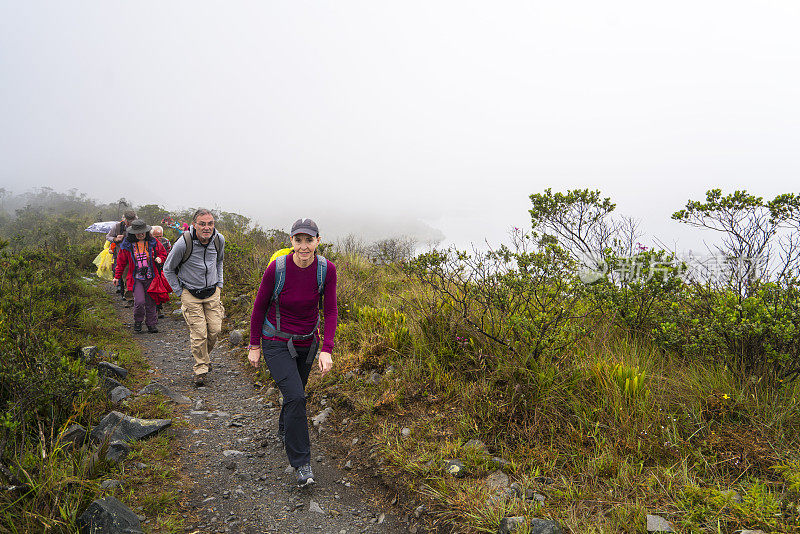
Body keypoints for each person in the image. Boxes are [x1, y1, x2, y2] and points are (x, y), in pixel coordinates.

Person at [248, 218, 338, 487]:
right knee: (297, 396)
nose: (304, 246)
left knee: (294, 393)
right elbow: (259, 308)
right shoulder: (277, 269)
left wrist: (326, 349)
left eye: (309, 240)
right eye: (298, 240)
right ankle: (302, 464)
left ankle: (285, 428)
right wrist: (254, 346)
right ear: (291, 242)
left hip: (307, 342)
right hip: (275, 341)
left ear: (317, 242)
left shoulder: (326, 269)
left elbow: (330, 311)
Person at [163, 209, 226, 387]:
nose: (207, 228)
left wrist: (219, 283)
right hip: (190, 293)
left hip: (212, 292)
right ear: (194, 225)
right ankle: (201, 369)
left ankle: (204, 358)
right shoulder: (184, 243)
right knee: (199, 334)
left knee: (215, 330)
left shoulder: (219, 240)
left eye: (210, 223)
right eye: (202, 224)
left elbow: (219, 261)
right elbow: (168, 269)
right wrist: (179, 292)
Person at [113, 219, 168, 333]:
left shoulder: (153, 242)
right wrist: (117, 277)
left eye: (143, 232)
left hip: (151, 277)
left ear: (146, 232)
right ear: (133, 232)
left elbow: (163, 253)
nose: (141, 234)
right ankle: (138, 321)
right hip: (136, 278)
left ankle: (151, 324)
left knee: (151, 302)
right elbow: (121, 262)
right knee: (139, 302)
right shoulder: (127, 244)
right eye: (138, 232)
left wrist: (160, 259)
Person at [106, 210, 137, 306]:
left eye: (132, 221)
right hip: (122, 255)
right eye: (129, 221)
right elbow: (108, 237)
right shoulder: (118, 227)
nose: (130, 223)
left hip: (138, 255)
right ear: (124, 220)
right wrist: (116, 239)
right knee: (126, 276)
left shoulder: (138, 225)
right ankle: (129, 298)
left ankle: (139, 296)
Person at [150, 226, 172, 318]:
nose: (158, 238)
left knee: (161, 288)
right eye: (156, 236)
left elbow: (169, 254)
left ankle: (159, 307)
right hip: (151, 269)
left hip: (162, 268)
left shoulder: (165, 241)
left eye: (160, 236)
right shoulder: (148, 242)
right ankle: (154, 309)